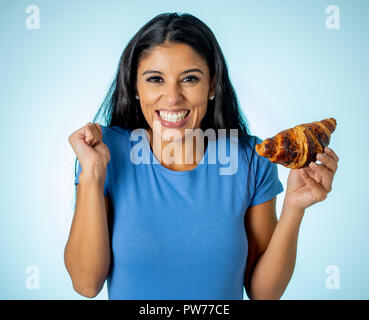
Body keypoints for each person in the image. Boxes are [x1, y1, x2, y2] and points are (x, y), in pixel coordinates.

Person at [65, 12, 339, 300]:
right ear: (135, 86)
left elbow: (263, 294)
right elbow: (86, 284)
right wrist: (92, 175)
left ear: (212, 85)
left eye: (190, 79)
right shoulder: (104, 153)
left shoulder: (251, 161)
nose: (172, 97)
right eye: (156, 79)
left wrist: (294, 208)